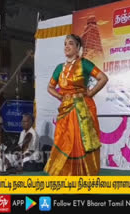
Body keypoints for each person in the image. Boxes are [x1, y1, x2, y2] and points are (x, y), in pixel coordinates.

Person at [44, 34, 108, 176]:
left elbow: (103, 78)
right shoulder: (59, 68)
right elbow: (50, 87)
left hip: (82, 109)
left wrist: (90, 93)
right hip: (66, 109)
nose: (67, 46)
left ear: (78, 48)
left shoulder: (84, 63)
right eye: (65, 43)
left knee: (81, 142)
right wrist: (61, 97)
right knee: (64, 141)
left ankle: (84, 176)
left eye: (71, 43)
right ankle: (65, 175)